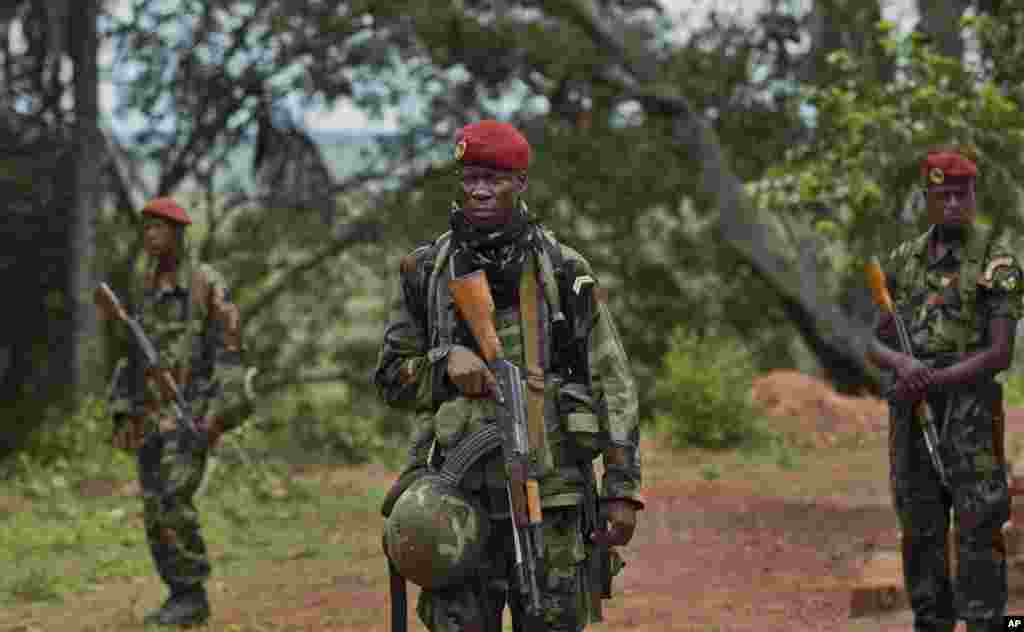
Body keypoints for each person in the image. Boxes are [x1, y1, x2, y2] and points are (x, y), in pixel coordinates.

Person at [373, 120, 643, 632]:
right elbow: (390, 378)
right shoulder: (425, 270)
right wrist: (444, 363)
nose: (479, 189)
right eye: (471, 176)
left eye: (494, 178)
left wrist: (623, 488)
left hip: (553, 495)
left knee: (550, 618)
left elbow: (614, 381)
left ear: (520, 183)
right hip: (457, 498)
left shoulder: (562, 270)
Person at [867, 146, 1021, 632]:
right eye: (943, 195)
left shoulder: (997, 262)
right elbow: (874, 339)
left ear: (973, 196)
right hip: (912, 420)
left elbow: (1000, 354)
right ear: (927, 199)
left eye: (962, 194)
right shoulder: (901, 261)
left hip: (970, 421)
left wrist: (933, 379)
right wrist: (901, 364)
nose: (953, 203)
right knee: (920, 533)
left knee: (978, 532)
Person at [106, 197, 250, 627]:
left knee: (173, 502)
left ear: (178, 234)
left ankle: (190, 594)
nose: (150, 235)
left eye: (159, 228)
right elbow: (132, 353)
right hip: (150, 414)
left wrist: (219, 415)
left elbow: (231, 351)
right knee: (155, 508)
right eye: (146, 228)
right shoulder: (145, 284)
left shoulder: (206, 284)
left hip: (192, 414)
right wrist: (122, 410)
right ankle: (180, 592)